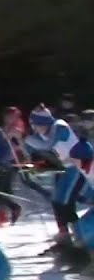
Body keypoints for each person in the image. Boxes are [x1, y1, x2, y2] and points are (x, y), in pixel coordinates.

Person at [24, 105, 89, 260]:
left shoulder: (59, 126)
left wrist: (24, 138)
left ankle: (82, 241)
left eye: (39, 124)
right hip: (66, 168)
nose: (37, 128)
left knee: (65, 203)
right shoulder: (43, 133)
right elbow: (41, 152)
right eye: (34, 125)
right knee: (57, 201)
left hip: (78, 167)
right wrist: (35, 165)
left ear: (46, 122)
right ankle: (64, 236)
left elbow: (46, 146)